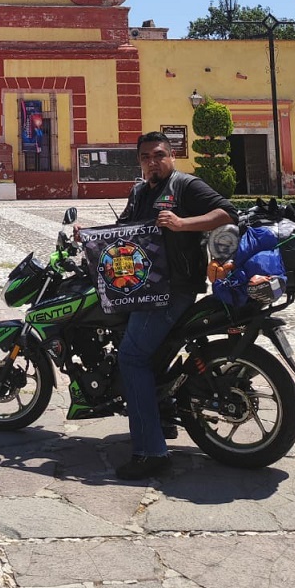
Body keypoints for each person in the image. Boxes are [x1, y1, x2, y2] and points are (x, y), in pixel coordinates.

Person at [110, 131, 236, 481]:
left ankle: (151, 452)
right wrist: (87, 235)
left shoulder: (185, 186)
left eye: (159, 155)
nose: (153, 162)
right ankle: (162, 414)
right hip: (143, 284)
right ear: (140, 161)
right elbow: (123, 228)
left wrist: (183, 224)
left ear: (172, 156)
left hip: (173, 288)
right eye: (146, 157)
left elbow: (228, 213)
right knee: (143, 348)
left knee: (132, 357)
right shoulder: (140, 192)